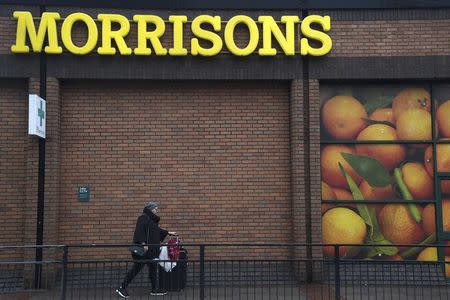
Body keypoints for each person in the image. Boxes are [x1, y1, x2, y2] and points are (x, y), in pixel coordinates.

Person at [116, 202, 176, 298]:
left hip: (151, 251)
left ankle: (155, 289)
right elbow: (139, 230)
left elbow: (157, 231)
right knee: (136, 269)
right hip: (145, 250)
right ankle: (122, 287)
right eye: (155, 208)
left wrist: (168, 233)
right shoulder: (143, 217)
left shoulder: (151, 220)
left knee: (153, 267)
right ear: (150, 209)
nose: (157, 210)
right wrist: (143, 244)